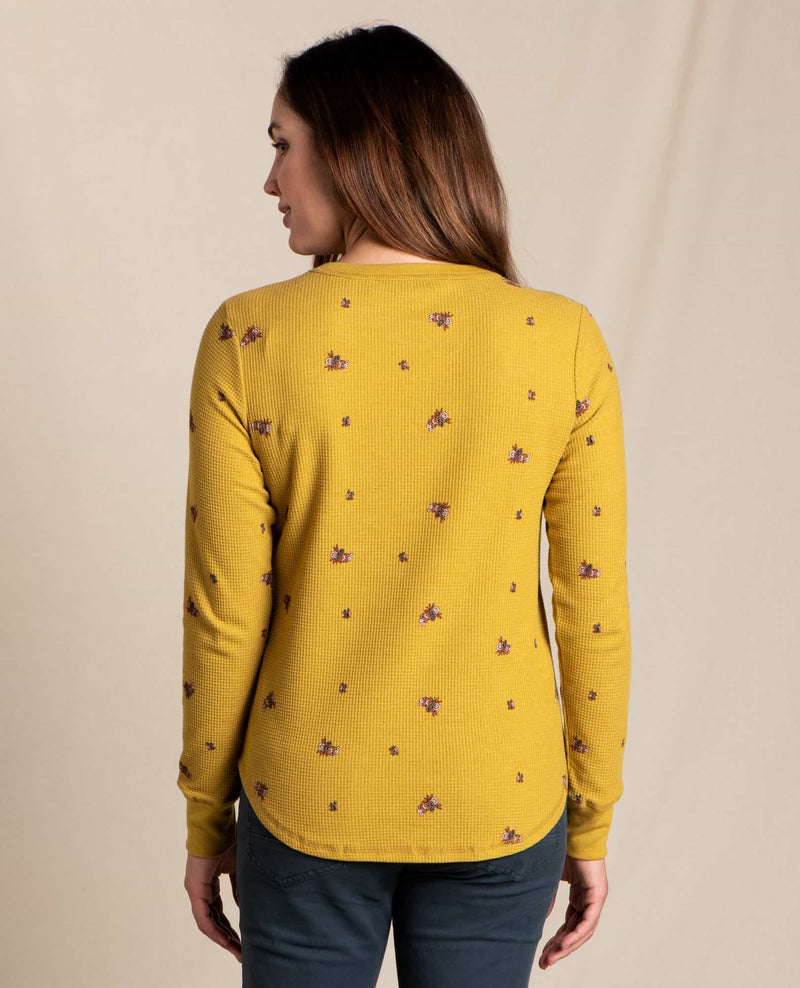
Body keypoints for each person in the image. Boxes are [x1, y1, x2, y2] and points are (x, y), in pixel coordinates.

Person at [177, 23, 631, 988]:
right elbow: (593, 602)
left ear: (352, 148)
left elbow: (225, 611)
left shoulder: (249, 336)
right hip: (502, 794)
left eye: (282, 146)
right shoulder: (561, 337)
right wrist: (590, 820)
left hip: (305, 796)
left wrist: (206, 819)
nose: (270, 181)